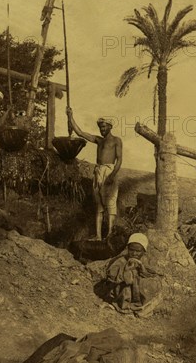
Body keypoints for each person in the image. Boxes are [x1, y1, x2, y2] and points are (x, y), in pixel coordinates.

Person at [67, 108, 122, 240]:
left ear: (110, 126)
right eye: (100, 127)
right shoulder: (99, 140)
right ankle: (98, 235)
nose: (101, 129)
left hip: (109, 171)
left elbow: (119, 159)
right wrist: (70, 116)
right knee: (99, 204)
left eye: (103, 127)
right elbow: (80, 132)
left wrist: (112, 175)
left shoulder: (116, 140)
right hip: (98, 171)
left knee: (110, 203)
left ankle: (109, 234)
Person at [102, 233, 162, 316]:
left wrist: (142, 269)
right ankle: (124, 307)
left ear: (144, 251)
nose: (134, 253)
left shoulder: (144, 261)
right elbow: (112, 276)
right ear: (127, 249)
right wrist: (126, 271)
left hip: (137, 292)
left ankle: (138, 305)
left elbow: (151, 275)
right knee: (127, 285)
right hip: (121, 291)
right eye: (131, 250)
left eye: (138, 251)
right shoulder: (121, 260)